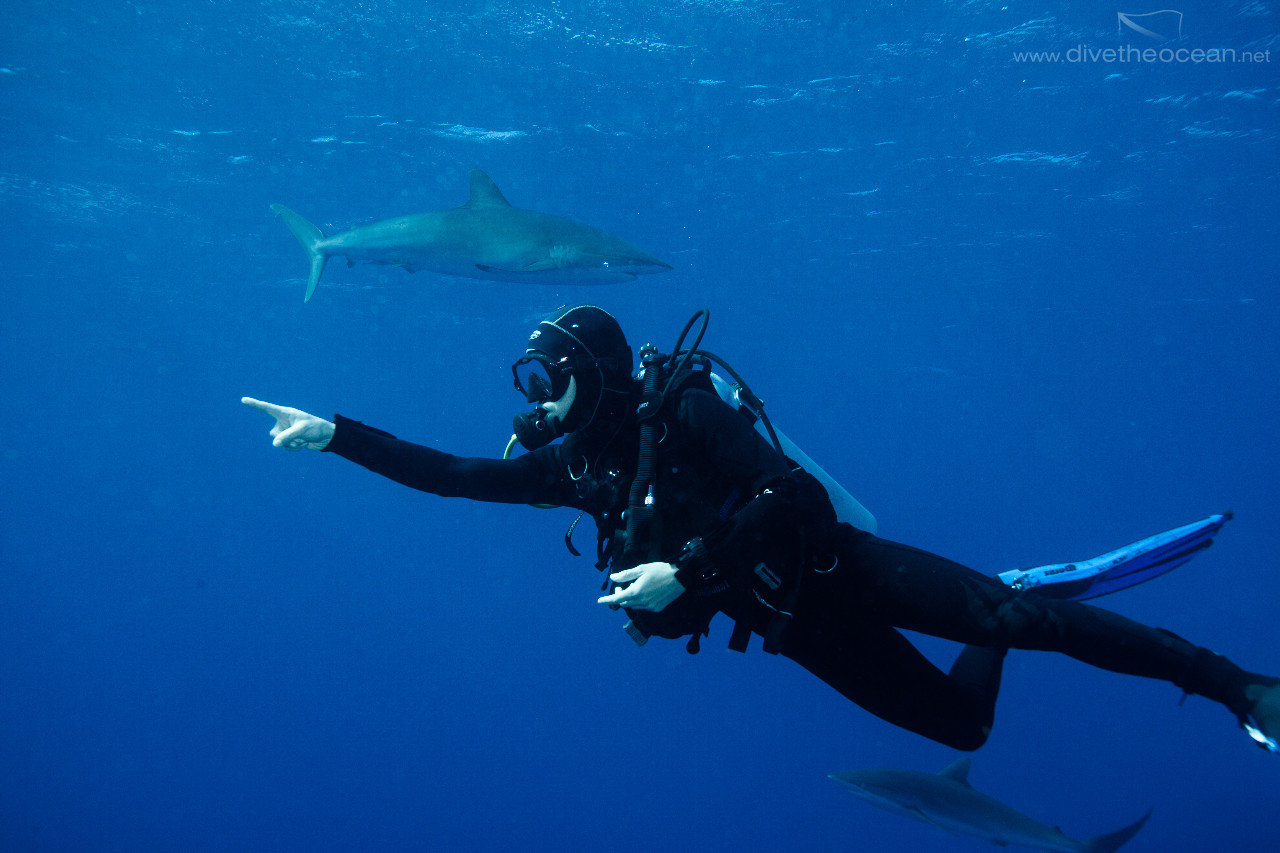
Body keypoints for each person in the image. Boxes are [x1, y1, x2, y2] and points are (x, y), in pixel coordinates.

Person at [242, 304, 1280, 752]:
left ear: (592, 375)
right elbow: (455, 476)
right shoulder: (578, 467)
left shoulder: (683, 411)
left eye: (545, 377)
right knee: (964, 729)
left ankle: (1235, 683)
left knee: (1023, 623)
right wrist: (335, 434)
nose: (533, 398)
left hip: (841, 566)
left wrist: (681, 572)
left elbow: (795, 496)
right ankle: (1013, 594)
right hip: (797, 630)